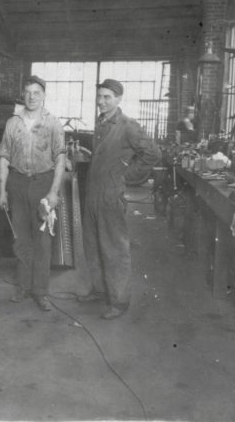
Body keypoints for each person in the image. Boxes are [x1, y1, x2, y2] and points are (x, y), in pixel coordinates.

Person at [79, 79, 161, 319]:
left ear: (119, 99)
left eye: (108, 97)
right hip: (94, 193)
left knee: (114, 248)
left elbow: (153, 154)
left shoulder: (127, 126)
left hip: (111, 194)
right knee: (93, 244)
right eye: (100, 96)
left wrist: (126, 176)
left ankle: (119, 301)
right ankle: (99, 289)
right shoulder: (101, 123)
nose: (102, 101)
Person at [0, 76, 66, 311]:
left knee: (42, 241)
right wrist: (2, 189)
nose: (31, 97)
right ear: (22, 95)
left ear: (44, 95)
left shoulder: (53, 123)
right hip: (16, 183)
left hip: (42, 184)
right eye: (27, 92)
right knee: (21, 239)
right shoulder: (12, 123)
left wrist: (53, 192)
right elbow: (4, 157)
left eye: (36, 92)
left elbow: (60, 159)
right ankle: (23, 287)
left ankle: (41, 292)